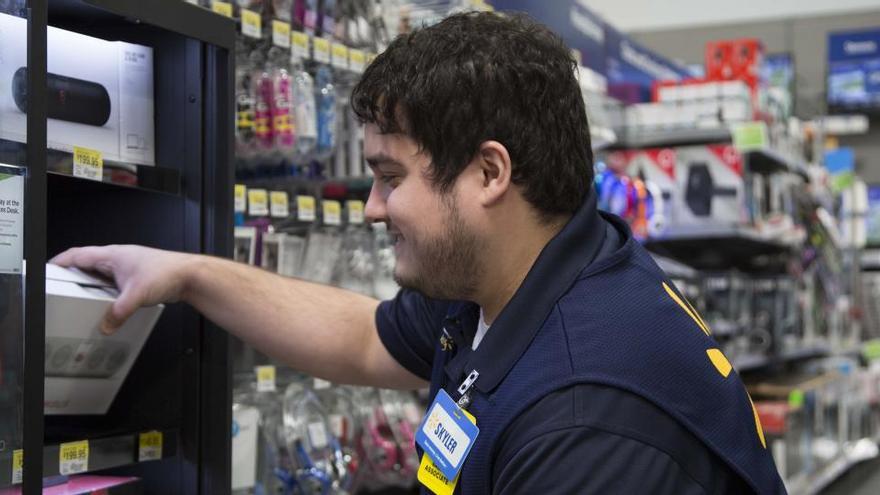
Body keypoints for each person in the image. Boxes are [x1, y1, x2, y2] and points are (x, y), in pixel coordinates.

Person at [54, 12, 786, 494]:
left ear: (489, 174)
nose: (372, 207)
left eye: (390, 177)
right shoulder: (516, 277)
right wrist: (186, 273)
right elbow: (361, 334)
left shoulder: (583, 421)